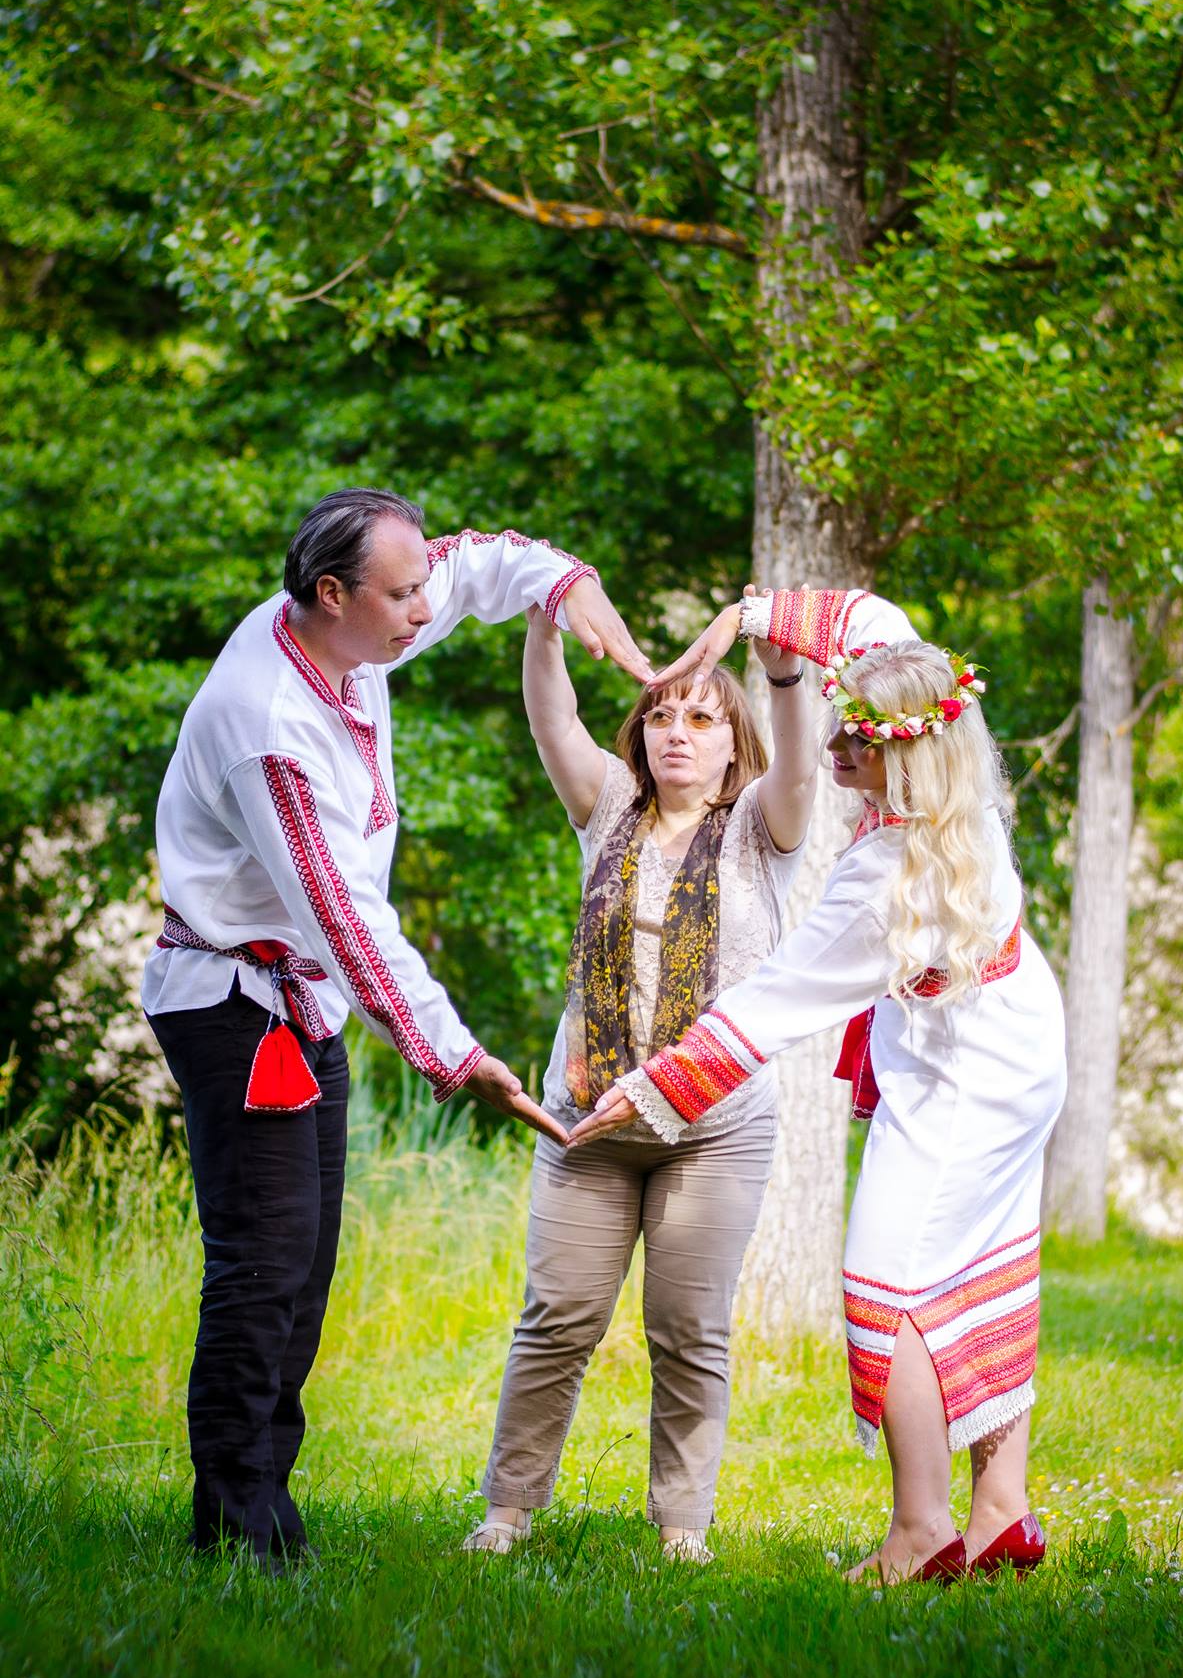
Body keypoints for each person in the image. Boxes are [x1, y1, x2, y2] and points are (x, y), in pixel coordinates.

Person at [142, 487, 649, 1567]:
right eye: (402, 594)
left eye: (421, 587)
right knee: (262, 1269)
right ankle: (233, 1534)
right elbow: (348, 925)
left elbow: (475, 563)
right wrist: (455, 1056)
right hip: (238, 1007)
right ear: (332, 594)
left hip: (304, 998)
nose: (425, 609)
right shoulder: (268, 726)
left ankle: (266, 1510)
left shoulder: (352, 629)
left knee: (303, 1268)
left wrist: (566, 582)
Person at [575, 586, 1067, 1584]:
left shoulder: (889, 876)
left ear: (907, 753)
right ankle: (1001, 1510)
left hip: (966, 1076)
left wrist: (650, 1087)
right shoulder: (955, 780)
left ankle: (920, 1528)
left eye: (856, 740)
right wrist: (746, 620)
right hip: (1015, 1041)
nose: (834, 747)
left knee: (892, 1287)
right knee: (986, 1251)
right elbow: (869, 622)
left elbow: (774, 1001)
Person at [465, 598, 819, 1562]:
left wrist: (782, 670)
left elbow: (799, 765)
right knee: (558, 1320)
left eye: (701, 718)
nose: (677, 732)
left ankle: (681, 1529)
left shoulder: (761, 828)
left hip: (714, 1130)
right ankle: (506, 1514)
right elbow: (553, 719)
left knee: (687, 1327)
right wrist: (545, 623)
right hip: (586, 1124)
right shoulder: (608, 807)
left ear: (732, 744)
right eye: (662, 715)